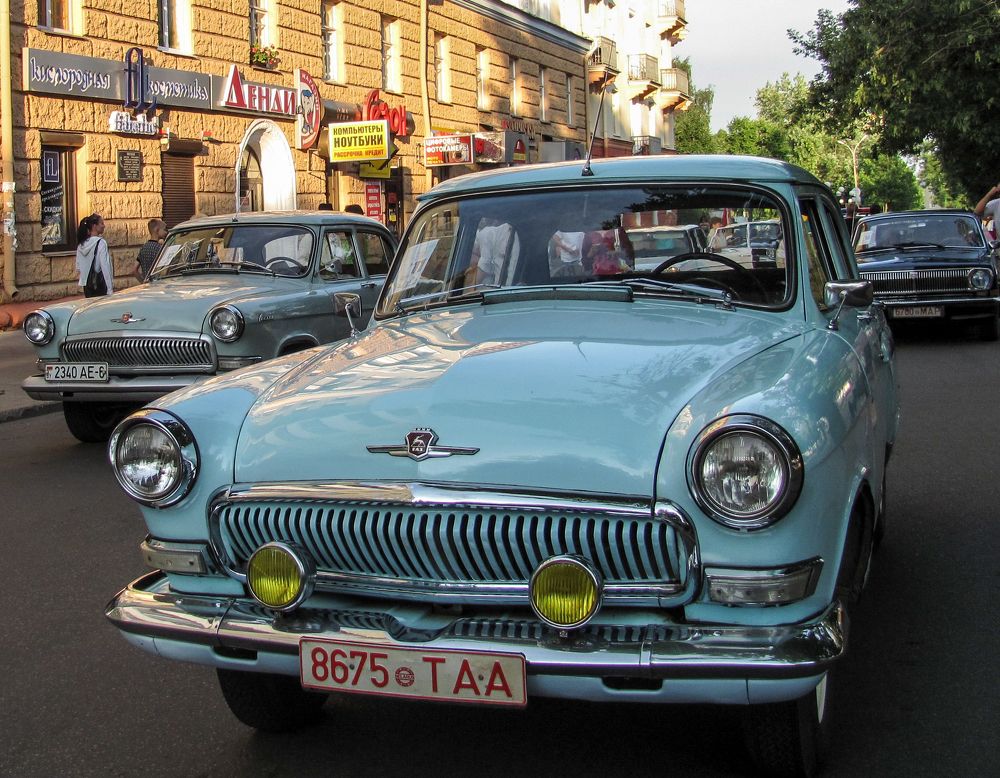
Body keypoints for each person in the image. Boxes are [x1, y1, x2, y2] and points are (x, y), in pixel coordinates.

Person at [76, 213, 113, 297]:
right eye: (101, 223)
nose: (104, 226)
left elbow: (78, 267)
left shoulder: (81, 245)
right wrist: (110, 289)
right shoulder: (101, 243)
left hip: (86, 286)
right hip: (99, 285)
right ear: (94, 226)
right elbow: (105, 266)